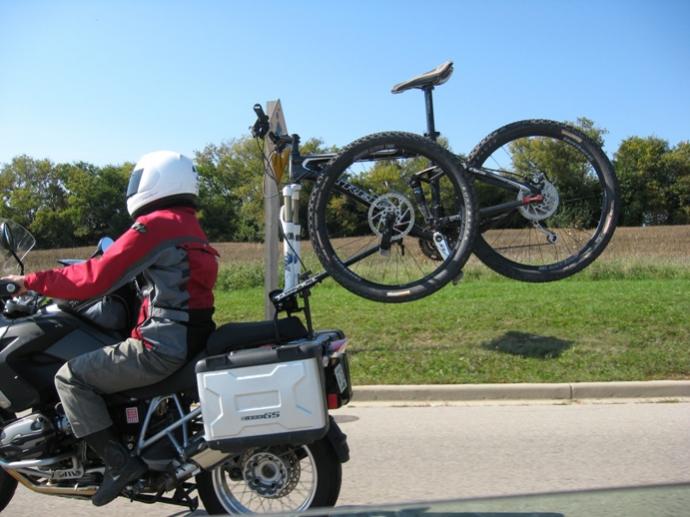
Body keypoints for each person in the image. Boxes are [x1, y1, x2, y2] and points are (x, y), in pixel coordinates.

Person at [2, 151, 219, 506]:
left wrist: (29, 282)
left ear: (154, 180)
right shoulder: (188, 225)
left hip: (161, 345)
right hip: (188, 336)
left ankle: (119, 465)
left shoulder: (157, 225)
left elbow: (95, 277)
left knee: (71, 377)